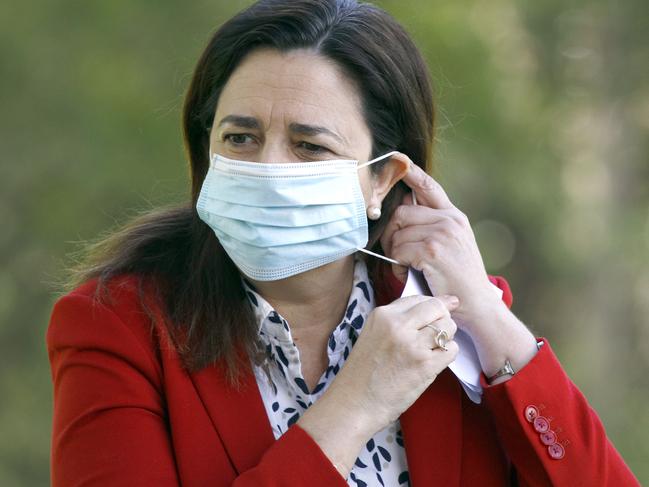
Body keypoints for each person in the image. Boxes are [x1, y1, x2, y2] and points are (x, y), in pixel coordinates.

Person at [46, 0, 639, 485]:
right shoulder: (117, 327)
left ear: (382, 177)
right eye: (241, 137)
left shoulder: (446, 323)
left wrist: (491, 319)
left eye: (310, 146)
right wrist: (355, 405)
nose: (269, 168)